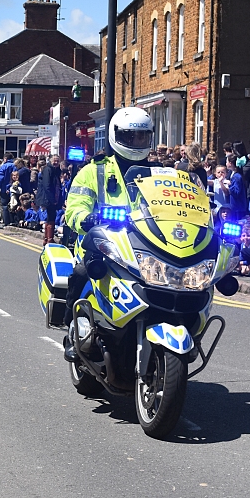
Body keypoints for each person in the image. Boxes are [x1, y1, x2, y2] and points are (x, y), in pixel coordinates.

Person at [61, 107, 157, 361]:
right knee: (85, 272)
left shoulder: (158, 174)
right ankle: (73, 331)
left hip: (144, 246)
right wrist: (86, 218)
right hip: (101, 242)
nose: (137, 143)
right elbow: (75, 208)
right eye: (130, 137)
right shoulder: (94, 171)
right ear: (117, 136)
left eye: (142, 137)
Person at [36, 155, 62, 244]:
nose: (56, 162)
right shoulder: (48, 170)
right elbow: (47, 186)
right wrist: (52, 199)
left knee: (51, 217)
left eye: (57, 161)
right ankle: (49, 239)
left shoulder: (55, 170)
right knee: (51, 217)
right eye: (54, 160)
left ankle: (47, 239)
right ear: (50, 161)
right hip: (48, 198)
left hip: (52, 197)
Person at [0, 153, 16, 226]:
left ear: (5, 159)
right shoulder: (14, 166)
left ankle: (6, 222)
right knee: (13, 204)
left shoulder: (3, 166)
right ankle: (12, 221)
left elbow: (0, 178)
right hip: (13, 187)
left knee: (4, 205)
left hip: (4, 188)